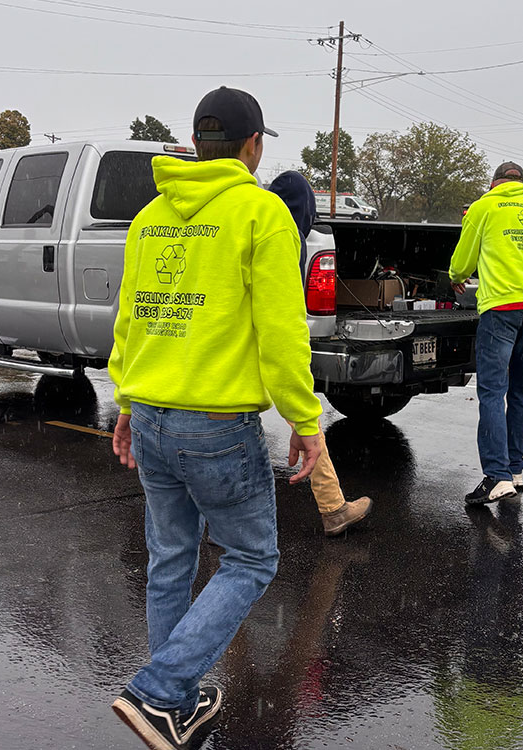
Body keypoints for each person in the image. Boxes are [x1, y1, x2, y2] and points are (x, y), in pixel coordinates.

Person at [107, 86, 324, 750]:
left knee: (171, 555)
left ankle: (176, 700)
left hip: (152, 411)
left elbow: (132, 318)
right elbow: (282, 330)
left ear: (196, 143)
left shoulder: (149, 218)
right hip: (216, 424)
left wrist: (124, 402)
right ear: (253, 146)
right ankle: (159, 689)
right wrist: (305, 419)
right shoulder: (260, 213)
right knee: (252, 559)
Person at [268, 170, 373, 537]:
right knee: (303, 423)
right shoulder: (285, 241)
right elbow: (283, 324)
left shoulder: (259, 230)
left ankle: (333, 508)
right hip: (266, 357)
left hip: (230, 359)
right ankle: (331, 509)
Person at [449, 161, 523, 504]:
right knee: (520, 389)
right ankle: (515, 468)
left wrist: (455, 275)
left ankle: (496, 476)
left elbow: (464, 259)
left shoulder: (484, 206)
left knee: (493, 392)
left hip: (502, 308)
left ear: (494, 183)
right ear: (522, 185)